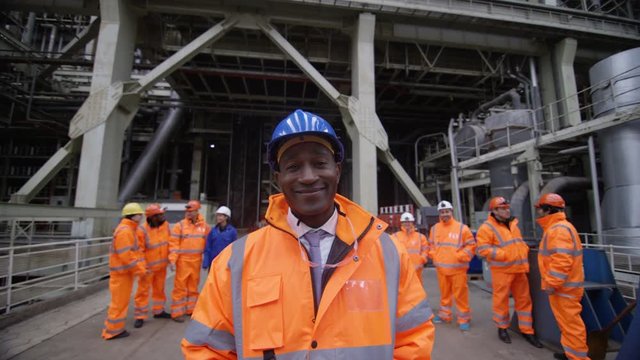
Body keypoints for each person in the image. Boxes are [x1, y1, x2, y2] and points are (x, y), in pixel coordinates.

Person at [182, 109, 435, 359]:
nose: (308, 177)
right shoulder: (234, 263)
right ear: (278, 178)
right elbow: (206, 349)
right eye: (293, 166)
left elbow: (414, 339)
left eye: (319, 163)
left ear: (337, 169)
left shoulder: (388, 253)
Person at [476, 196, 543, 348]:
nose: (507, 210)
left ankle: (527, 330)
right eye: (503, 208)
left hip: (519, 269)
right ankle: (502, 328)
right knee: (501, 301)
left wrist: (524, 249)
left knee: (524, 300)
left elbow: (517, 243)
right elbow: (483, 249)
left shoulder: (513, 224)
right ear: (494, 211)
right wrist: (505, 255)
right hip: (502, 270)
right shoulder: (486, 228)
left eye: (507, 208)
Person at [535, 193, 588, 360]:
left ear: (548, 210)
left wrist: (551, 283)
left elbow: (561, 261)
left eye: (539, 209)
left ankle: (578, 357)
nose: (538, 213)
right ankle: (570, 353)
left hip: (564, 289)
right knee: (567, 325)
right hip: (567, 287)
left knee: (571, 326)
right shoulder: (561, 227)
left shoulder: (558, 230)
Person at [101, 203, 147, 340]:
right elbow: (127, 256)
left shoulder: (128, 229)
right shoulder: (125, 231)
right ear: (133, 216)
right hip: (121, 274)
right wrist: (140, 270)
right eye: (139, 214)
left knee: (121, 303)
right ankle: (112, 331)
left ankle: (115, 329)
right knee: (118, 304)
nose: (141, 216)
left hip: (124, 274)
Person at [428, 200, 476, 331]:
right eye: (442, 212)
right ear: (439, 213)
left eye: (447, 211)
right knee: (445, 295)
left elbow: (471, 245)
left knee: (460, 295)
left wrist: (460, 257)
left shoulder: (462, 228)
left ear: (451, 212)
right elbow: (431, 245)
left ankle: (464, 319)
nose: (445, 214)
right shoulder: (434, 229)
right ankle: (445, 315)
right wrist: (434, 255)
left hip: (458, 269)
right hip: (442, 269)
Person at [169, 200, 211, 322]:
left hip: (196, 261)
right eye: (187, 211)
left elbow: (208, 244)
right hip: (183, 261)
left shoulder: (204, 227)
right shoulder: (180, 226)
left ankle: (190, 309)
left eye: (191, 211)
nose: (189, 213)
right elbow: (174, 244)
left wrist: (207, 260)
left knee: (193, 287)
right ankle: (177, 313)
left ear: (197, 211)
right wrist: (172, 260)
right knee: (180, 288)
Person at [133, 203, 172, 328]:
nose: (162, 216)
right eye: (159, 215)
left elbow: (170, 242)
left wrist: (171, 259)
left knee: (159, 290)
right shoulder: (142, 230)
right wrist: (142, 267)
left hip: (161, 267)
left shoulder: (165, 226)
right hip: (148, 268)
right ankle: (140, 316)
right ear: (152, 217)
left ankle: (158, 311)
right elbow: (139, 251)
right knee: (143, 292)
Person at [392, 212, 429, 281]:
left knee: (417, 290)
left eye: (409, 222)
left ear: (412, 222)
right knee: (403, 290)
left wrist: (421, 259)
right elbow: (391, 252)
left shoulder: (421, 237)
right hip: (401, 270)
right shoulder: (395, 236)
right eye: (405, 222)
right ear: (401, 223)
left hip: (417, 271)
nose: (407, 224)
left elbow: (426, 250)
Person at [202, 206, 238, 271]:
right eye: (217, 215)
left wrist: (233, 263)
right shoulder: (212, 231)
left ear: (226, 217)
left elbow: (235, 249)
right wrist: (205, 263)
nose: (218, 217)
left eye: (220, 216)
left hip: (225, 263)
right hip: (213, 262)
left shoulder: (232, 232)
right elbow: (208, 247)